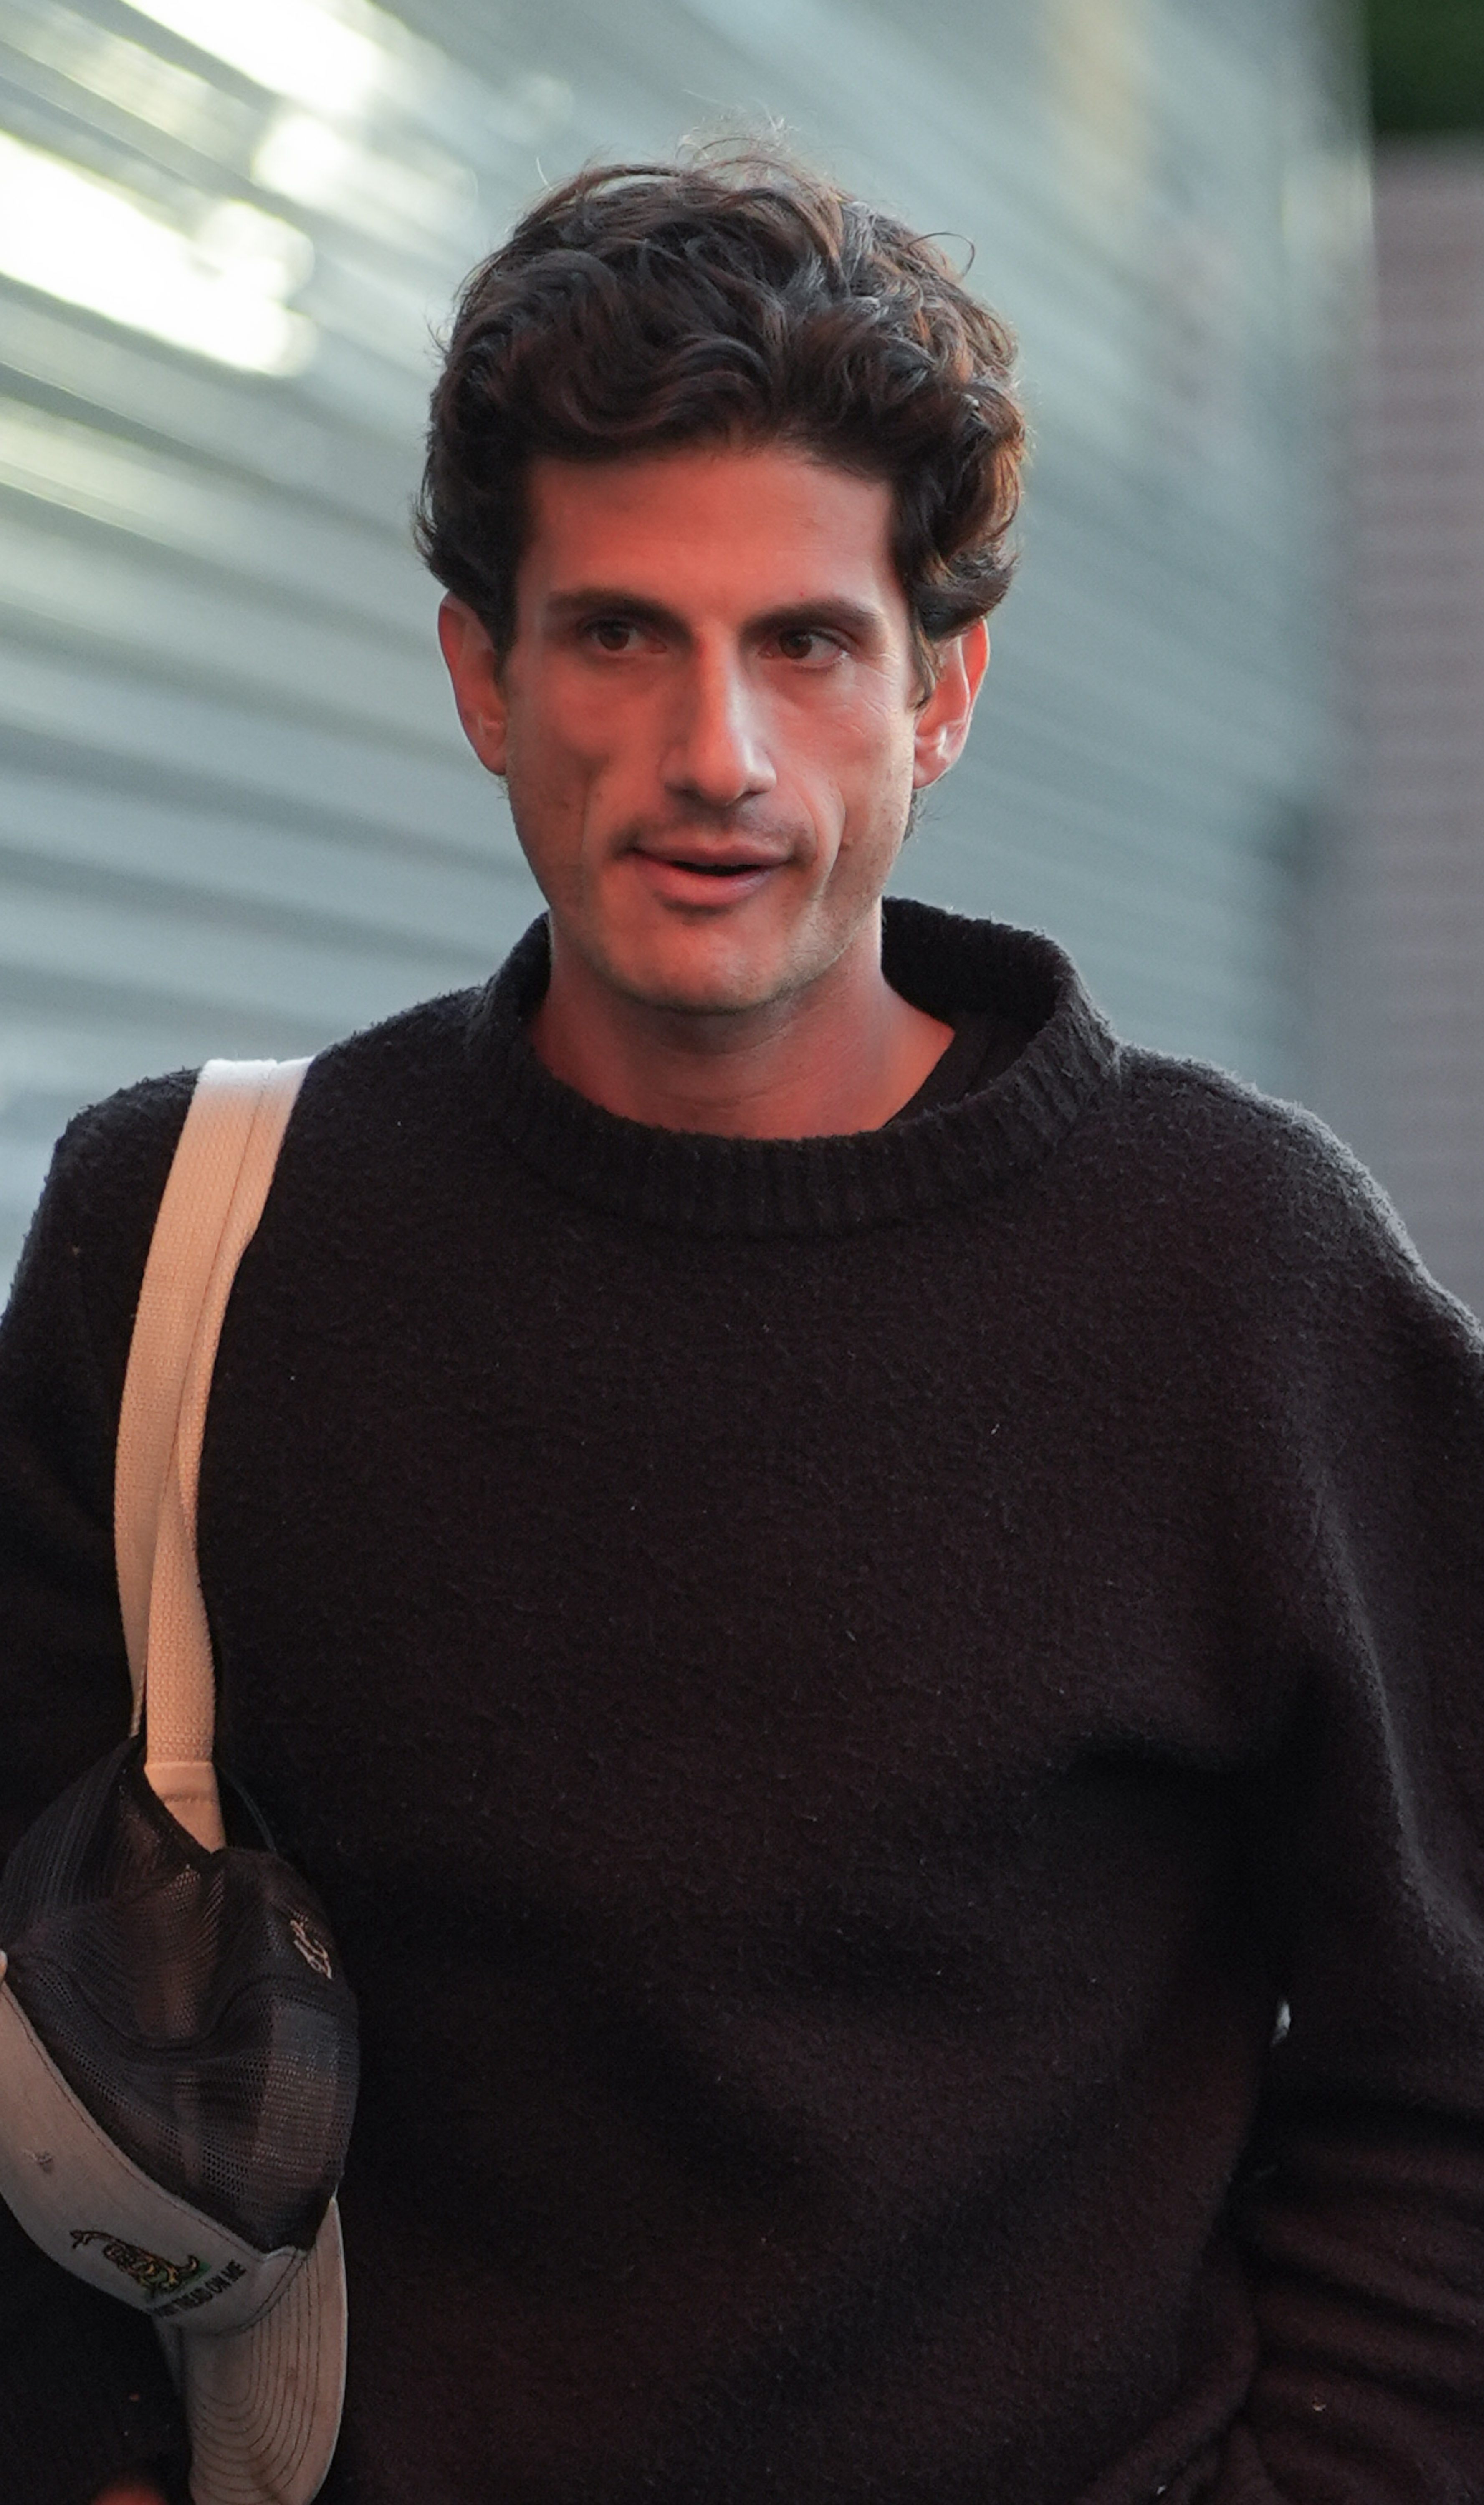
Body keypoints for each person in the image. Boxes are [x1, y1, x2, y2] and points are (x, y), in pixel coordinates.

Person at [2, 149, 1483, 2505]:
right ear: (482, 672)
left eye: (804, 643)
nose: (715, 756)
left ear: (943, 691)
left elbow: (1445, 2060)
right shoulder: (188, 1237)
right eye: (616, 635)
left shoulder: (1240, 1279)